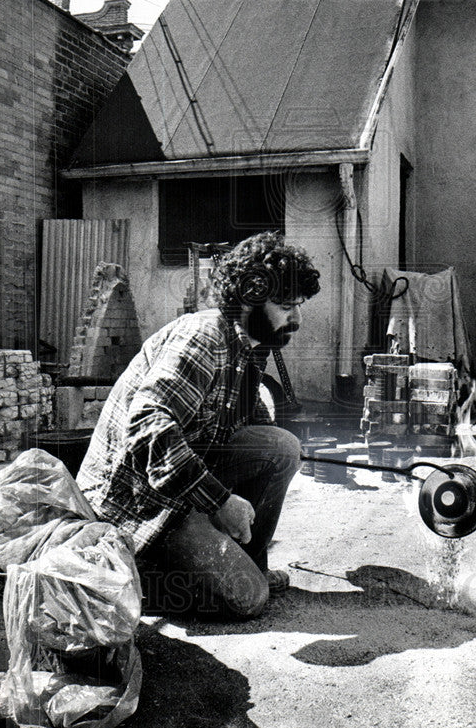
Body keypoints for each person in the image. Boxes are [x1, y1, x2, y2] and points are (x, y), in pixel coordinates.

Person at [76, 231, 320, 617]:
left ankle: (248, 564)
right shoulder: (204, 337)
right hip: (136, 506)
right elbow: (148, 427)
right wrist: (220, 502)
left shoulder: (249, 350)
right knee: (247, 598)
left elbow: (252, 430)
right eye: (287, 306)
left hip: (176, 492)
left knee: (282, 447)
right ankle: (127, 581)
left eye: (299, 306)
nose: (298, 319)